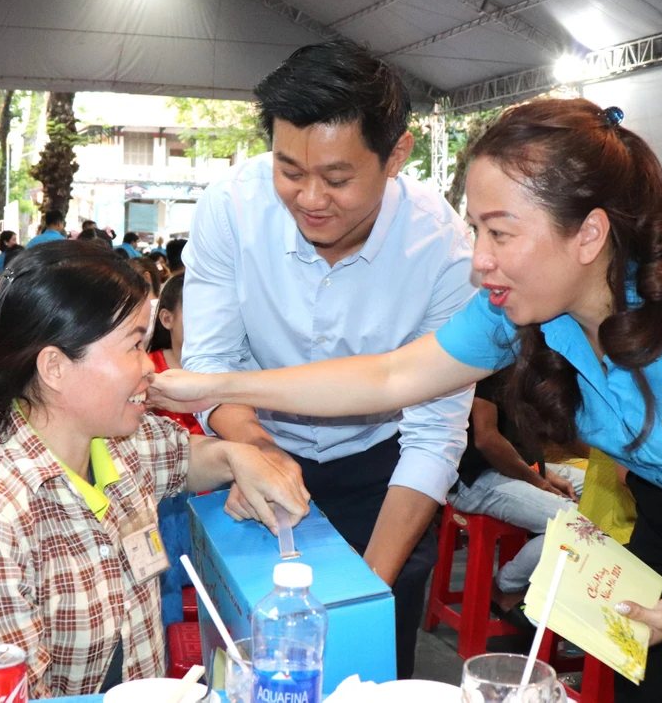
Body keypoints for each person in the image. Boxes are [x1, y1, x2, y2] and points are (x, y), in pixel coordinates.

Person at [151, 98, 662, 702]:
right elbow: (391, 378)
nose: (478, 257)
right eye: (476, 229)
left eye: (499, 232)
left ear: (589, 233)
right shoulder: (518, 305)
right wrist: (219, 385)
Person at [180, 39, 476, 678]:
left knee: (364, 661)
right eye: (290, 169)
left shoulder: (444, 249)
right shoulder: (231, 209)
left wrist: (363, 594)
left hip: (384, 474)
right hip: (257, 449)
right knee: (249, 658)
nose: (311, 198)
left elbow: (434, 433)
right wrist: (260, 455)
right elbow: (210, 367)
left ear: (396, 153)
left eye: (338, 178)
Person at [0, 243, 309, 702]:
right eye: (135, 345)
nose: (148, 367)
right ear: (54, 366)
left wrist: (240, 456)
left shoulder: (116, 443)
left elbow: (185, 457)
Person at [448, 368, 584, 619]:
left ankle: (564, 588)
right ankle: (505, 586)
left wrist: (543, 474)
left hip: (510, 468)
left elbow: (520, 441)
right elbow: (487, 441)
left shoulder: (521, 367)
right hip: (474, 478)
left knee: (595, 488)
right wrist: (540, 483)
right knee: (572, 522)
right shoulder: (484, 369)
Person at [146, 275, 204, 436]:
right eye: (197, 314)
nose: (209, 324)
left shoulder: (235, 368)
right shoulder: (147, 371)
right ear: (167, 319)